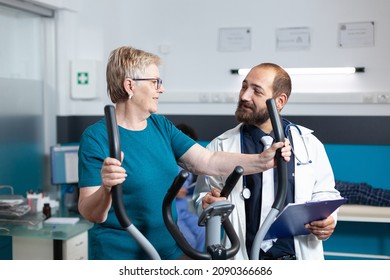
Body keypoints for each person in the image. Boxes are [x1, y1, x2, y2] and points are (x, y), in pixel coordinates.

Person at [77, 47, 291, 260]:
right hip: (119, 256)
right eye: (155, 82)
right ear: (130, 85)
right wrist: (106, 189)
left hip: (169, 252)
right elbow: (90, 212)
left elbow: (208, 160)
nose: (161, 89)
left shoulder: (160, 126)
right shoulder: (97, 137)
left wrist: (262, 160)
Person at [193, 62, 342, 260]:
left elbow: (325, 192)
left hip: (296, 257)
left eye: (256, 91)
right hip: (244, 259)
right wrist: (205, 202)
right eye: (244, 86)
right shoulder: (219, 146)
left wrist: (328, 220)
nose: (244, 96)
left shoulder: (309, 144)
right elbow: (202, 197)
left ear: (279, 101)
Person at [175, 123, 205, 252]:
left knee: (203, 230)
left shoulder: (187, 165)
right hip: (170, 213)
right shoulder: (166, 161)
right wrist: (172, 192)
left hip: (184, 211)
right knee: (189, 241)